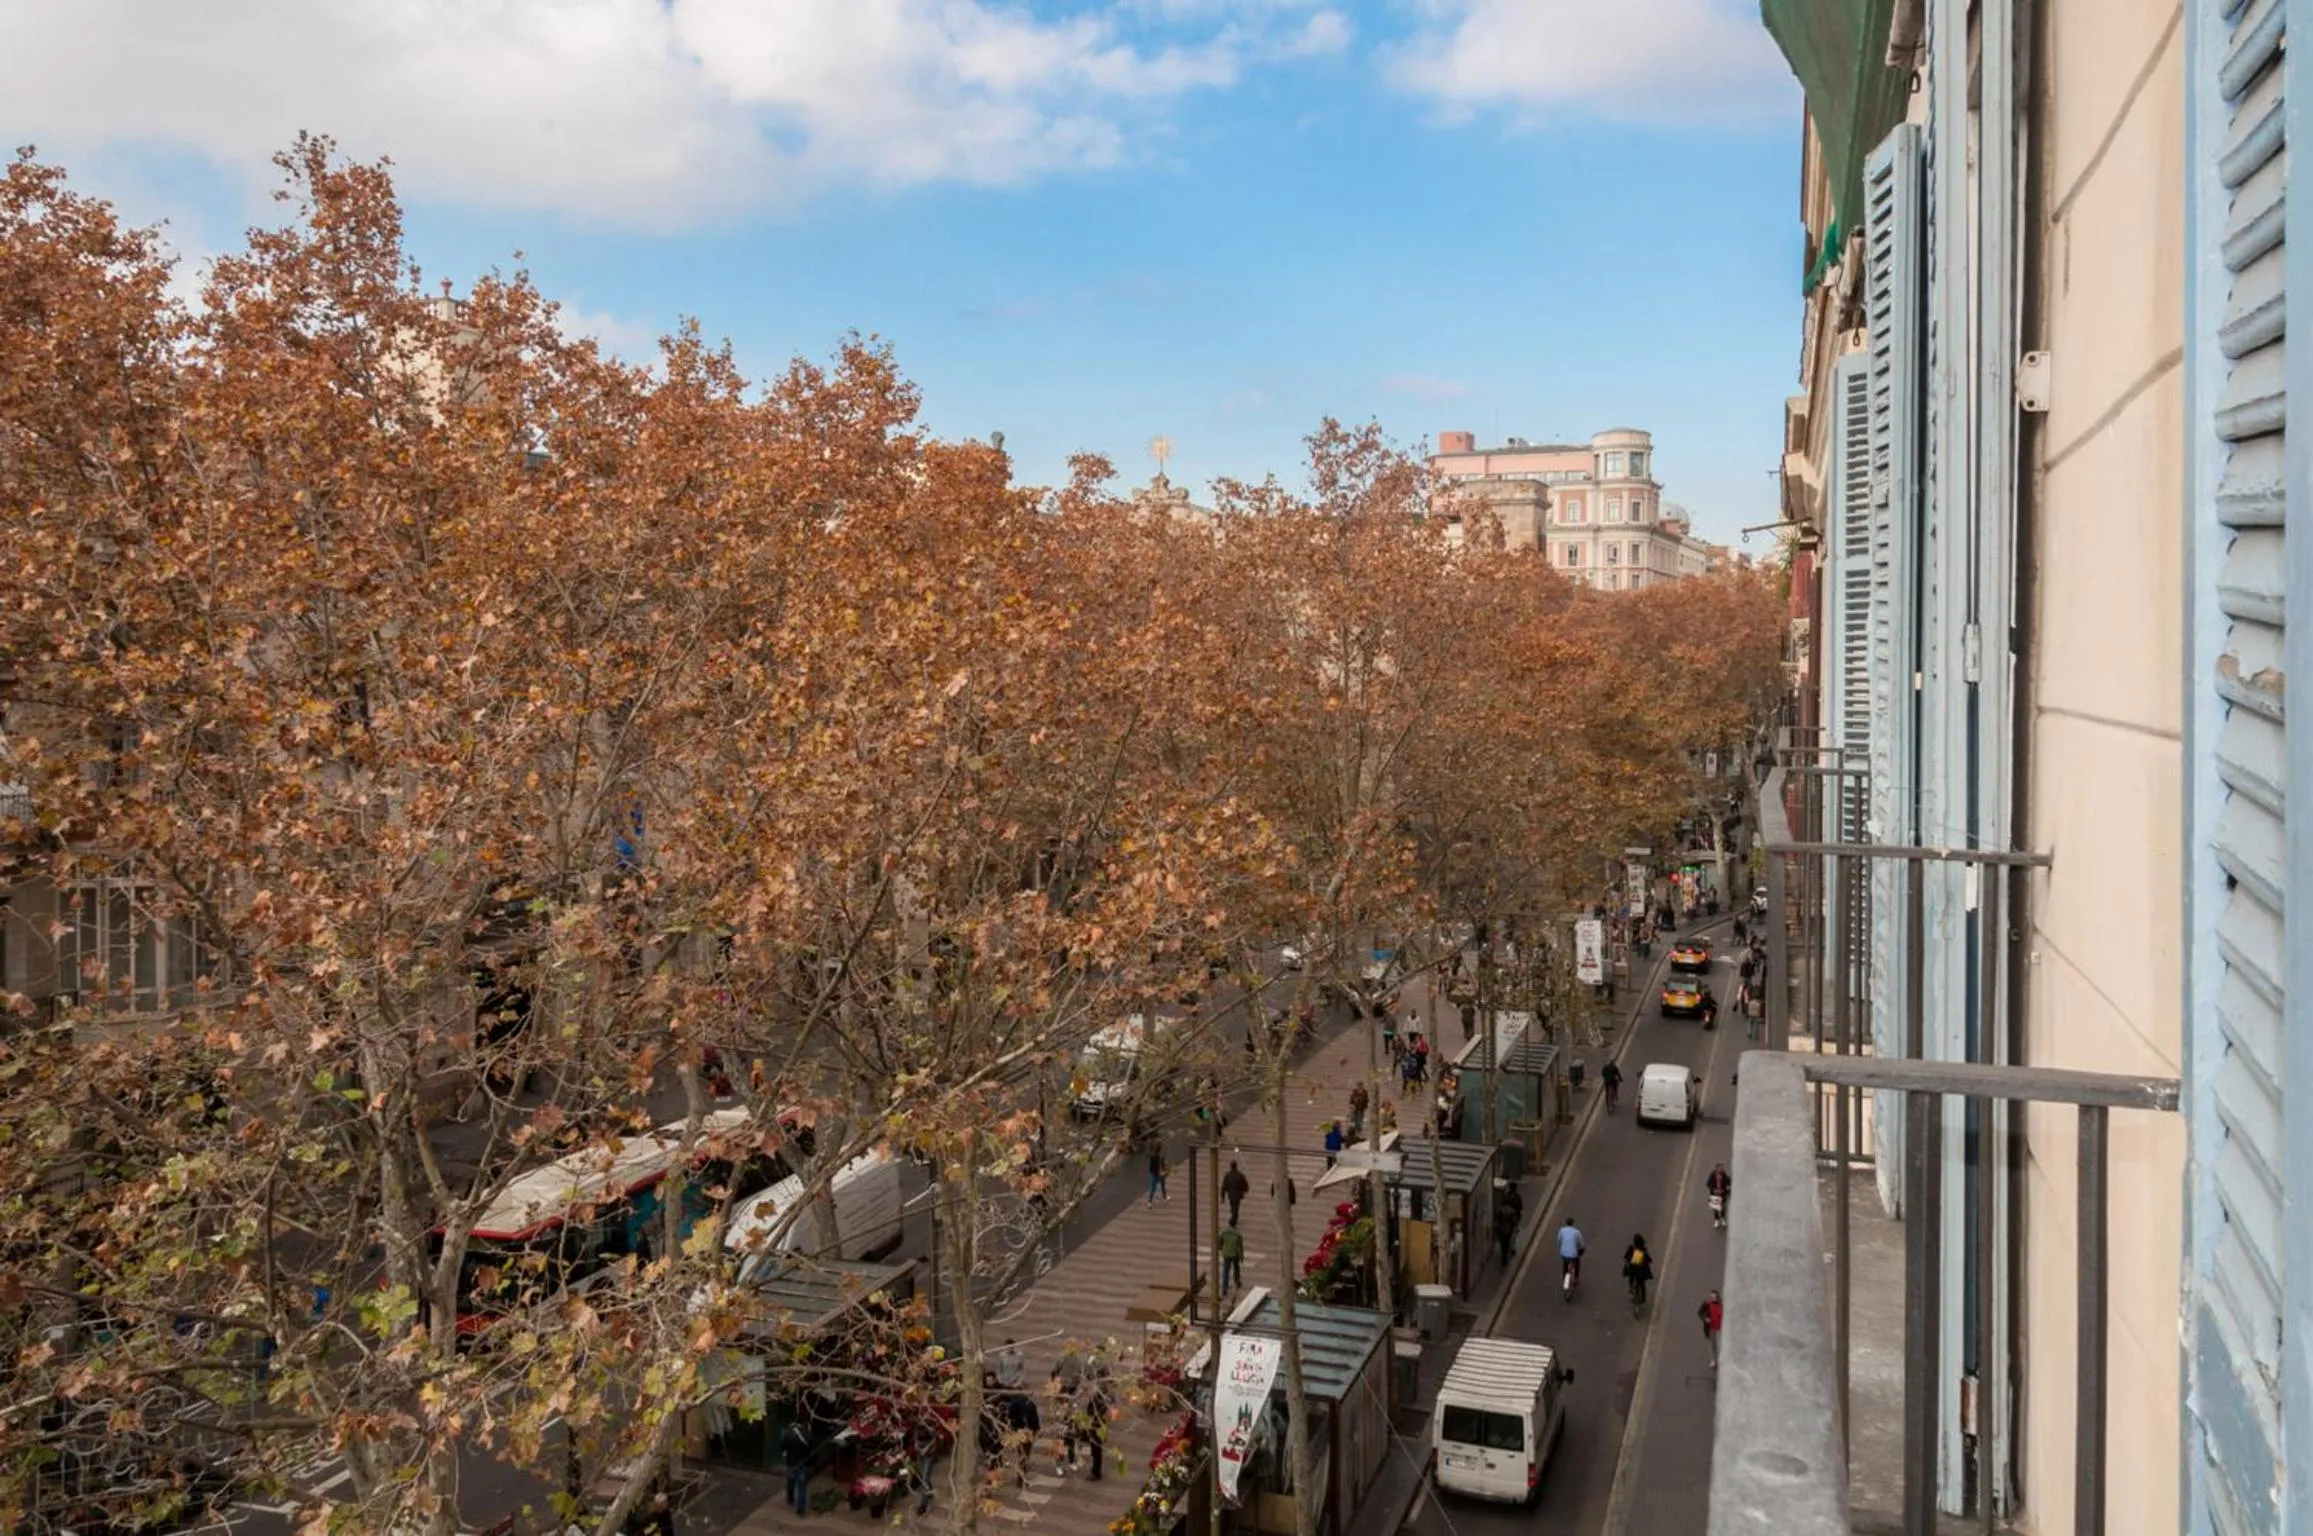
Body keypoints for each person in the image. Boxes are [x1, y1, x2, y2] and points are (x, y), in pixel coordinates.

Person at [780, 1416, 816, 1517]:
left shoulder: (788, 1433)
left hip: (791, 1463)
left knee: (790, 1481)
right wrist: (811, 1464)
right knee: (801, 1487)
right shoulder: (808, 1434)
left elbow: (782, 1446)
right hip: (802, 1463)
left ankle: (790, 1498)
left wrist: (785, 1456)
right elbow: (812, 1450)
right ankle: (800, 1510)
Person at [1622, 1234, 1655, 1309]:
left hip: (1632, 1272)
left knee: (1631, 1279)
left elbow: (1626, 1258)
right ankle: (1643, 1298)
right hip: (1641, 1273)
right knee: (1642, 1284)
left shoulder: (1631, 1248)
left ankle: (1631, 1289)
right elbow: (1649, 1260)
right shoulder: (1643, 1250)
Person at [1698, 1289, 1724, 1369]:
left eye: (1713, 1297)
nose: (1711, 1298)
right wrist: (1705, 1318)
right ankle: (1713, 1360)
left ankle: (1720, 1359)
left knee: (1719, 1344)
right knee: (1711, 1345)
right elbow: (1700, 1312)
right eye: (1710, 1296)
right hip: (1711, 1328)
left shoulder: (1721, 1305)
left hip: (1720, 1328)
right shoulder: (1706, 1304)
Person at [1556, 1218, 1586, 1286]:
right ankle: (1576, 1277)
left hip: (1563, 1253)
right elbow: (1581, 1244)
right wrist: (1582, 1248)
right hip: (1573, 1255)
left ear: (1566, 1223)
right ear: (1572, 1223)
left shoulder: (1561, 1230)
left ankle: (1564, 1277)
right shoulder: (1576, 1232)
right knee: (1577, 1261)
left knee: (1565, 1263)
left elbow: (1559, 1241)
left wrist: (1561, 1247)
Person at [1221, 1159, 1250, 1227]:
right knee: (1236, 1207)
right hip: (1238, 1195)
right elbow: (1245, 1184)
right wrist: (1244, 1191)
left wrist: (1222, 1197)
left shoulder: (1228, 1175)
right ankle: (1234, 1219)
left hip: (1231, 1195)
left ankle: (1233, 1218)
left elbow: (1224, 1186)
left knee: (1233, 1206)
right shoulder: (1240, 1175)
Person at [1217, 1222, 1244, 1294]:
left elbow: (1219, 1242)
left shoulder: (1223, 1232)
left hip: (1226, 1254)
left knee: (1226, 1271)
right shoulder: (1237, 1234)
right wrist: (1242, 1256)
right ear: (1235, 1225)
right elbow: (1240, 1247)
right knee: (1236, 1267)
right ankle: (1237, 1281)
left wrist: (1220, 1248)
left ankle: (1224, 1288)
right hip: (1235, 1254)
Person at [1707, 1162, 1732, 1227]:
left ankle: (1723, 1219)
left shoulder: (1724, 1175)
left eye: (1722, 1168)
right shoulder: (1712, 1175)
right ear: (1716, 1168)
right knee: (1716, 1208)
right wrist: (1714, 1190)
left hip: (1722, 1194)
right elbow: (1708, 1184)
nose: (1721, 1169)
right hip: (1715, 1194)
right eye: (1720, 1168)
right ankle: (1717, 1220)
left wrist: (1728, 1187)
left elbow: (1728, 1182)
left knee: (1723, 1207)